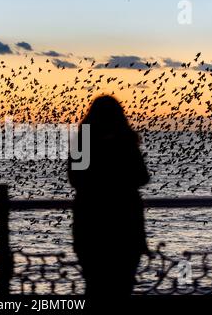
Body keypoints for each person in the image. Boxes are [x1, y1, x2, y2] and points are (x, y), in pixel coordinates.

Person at [68, 95, 149, 297]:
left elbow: (76, 179)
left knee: (95, 286)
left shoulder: (83, 141)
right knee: (122, 287)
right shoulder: (126, 142)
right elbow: (142, 177)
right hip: (125, 226)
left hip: (91, 225)